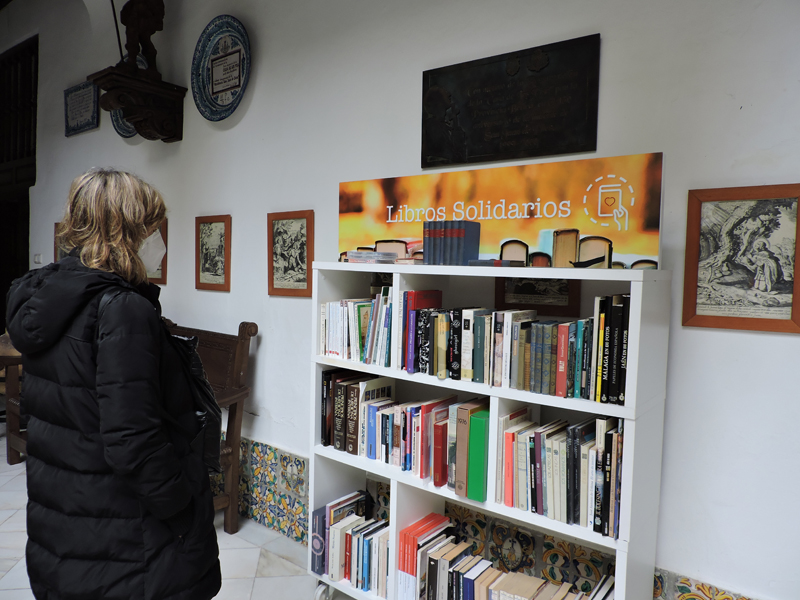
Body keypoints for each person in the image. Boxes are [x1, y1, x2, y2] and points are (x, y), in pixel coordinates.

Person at [5, 169, 221, 599]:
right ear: (129, 233)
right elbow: (133, 439)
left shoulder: (49, 300)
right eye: (155, 229)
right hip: (125, 537)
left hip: (68, 517)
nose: (162, 241)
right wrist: (181, 507)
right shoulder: (121, 309)